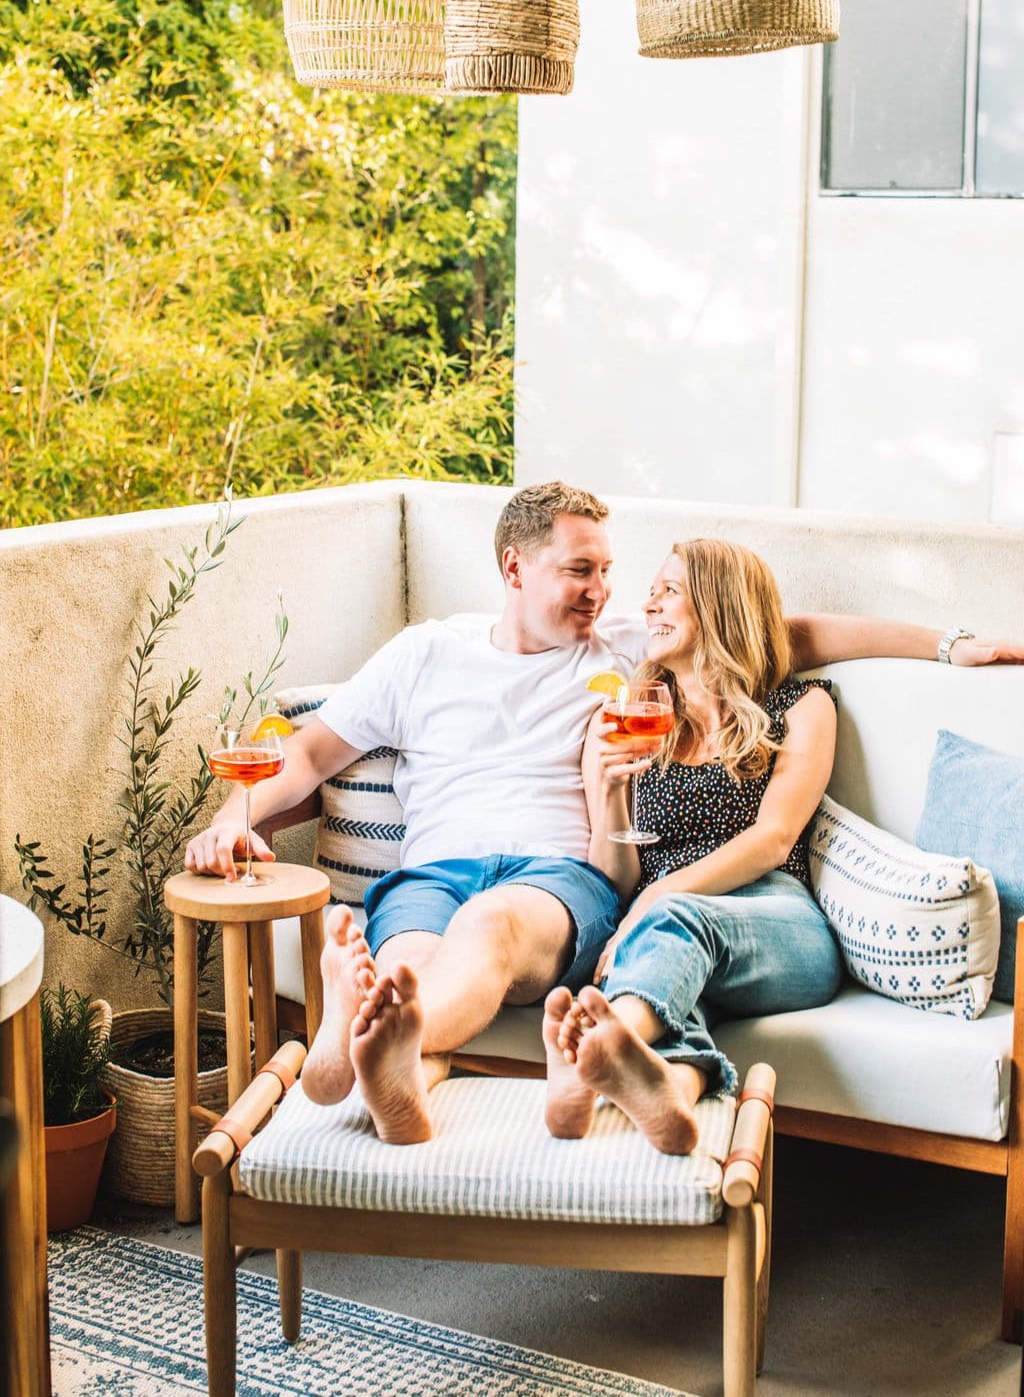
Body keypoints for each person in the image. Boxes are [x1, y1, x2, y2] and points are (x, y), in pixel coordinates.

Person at [184, 481, 1022, 1145]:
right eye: (580, 571)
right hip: (456, 874)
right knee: (410, 952)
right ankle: (382, 1045)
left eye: (613, 574)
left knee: (494, 926)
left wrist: (950, 644)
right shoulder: (455, 660)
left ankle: (384, 1033)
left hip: (569, 887)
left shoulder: (641, 653)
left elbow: (782, 635)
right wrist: (235, 814)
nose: (608, 593)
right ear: (515, 568)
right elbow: (305, 752)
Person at [544, 537, 843, 1155]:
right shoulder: (633, 717)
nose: (649, 605)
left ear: (719, 605)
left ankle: (589, 1054)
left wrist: (656, 897)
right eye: (650, 591)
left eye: (669, 591)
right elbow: (618, 874)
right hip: (665, 932)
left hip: (778, 918)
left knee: (677, 924)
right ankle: (669, 1094)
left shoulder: (798, 706)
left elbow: (774, 839)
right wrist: (609, 798)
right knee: (678, 989)